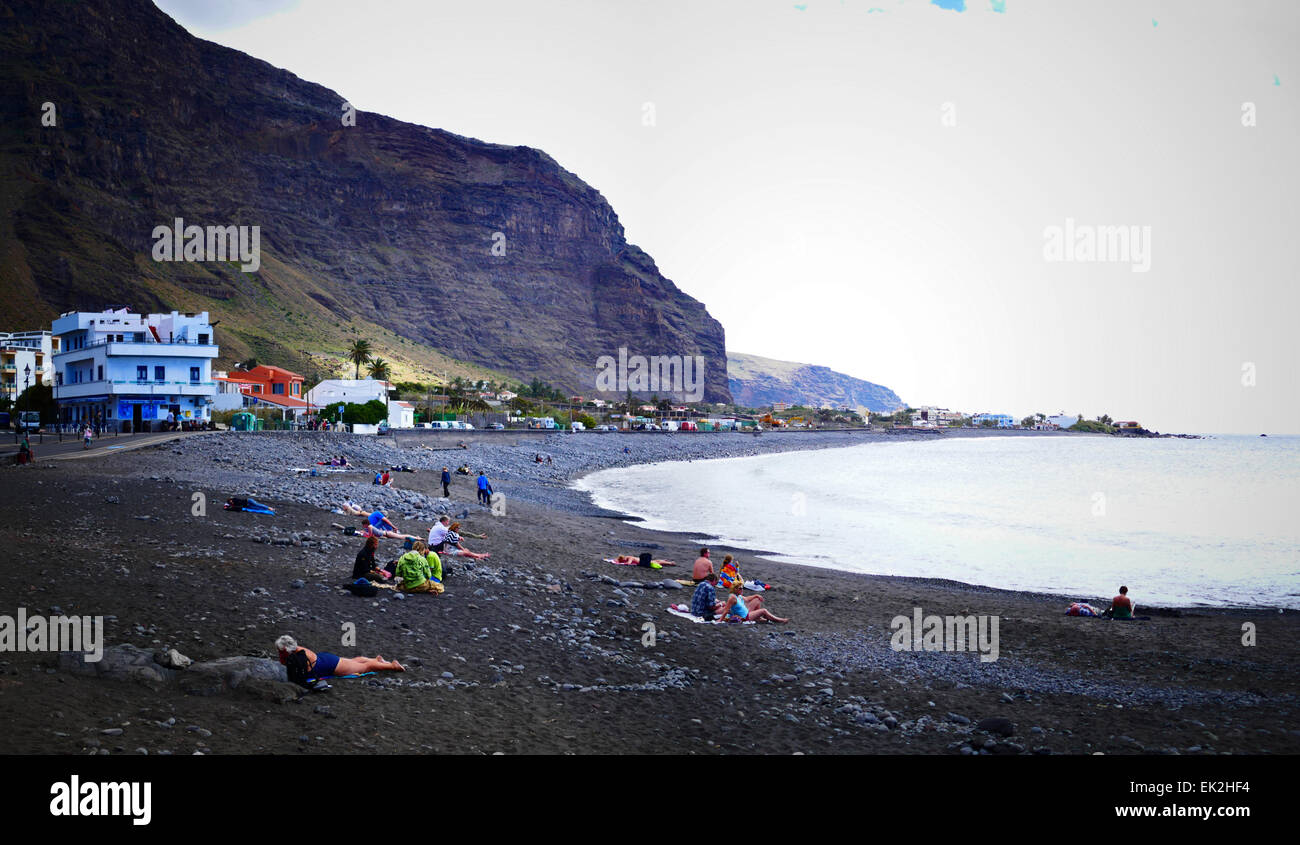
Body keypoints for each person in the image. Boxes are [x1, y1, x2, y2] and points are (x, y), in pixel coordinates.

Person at [275, 634, 403, 687]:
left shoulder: (298, 657)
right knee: (354, 661)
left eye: (281, 651)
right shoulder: (297, 649)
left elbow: (303, 675)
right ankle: (376, 660)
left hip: (330, 665)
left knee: (365, 667)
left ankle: (392, 666)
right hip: (325, 659)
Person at [721, 581, 788, 624]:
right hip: (745, 617)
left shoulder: (738, 596)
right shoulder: (732, 598)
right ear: (735, 589)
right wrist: (720, 620)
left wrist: (756, 595)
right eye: (740, 588)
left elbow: (747, 599)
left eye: (742, 588)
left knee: (757, 600)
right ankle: (780, 620)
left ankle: (758, 618)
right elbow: (726, 610)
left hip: (746, 613)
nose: (742, 590)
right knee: (764, 611)